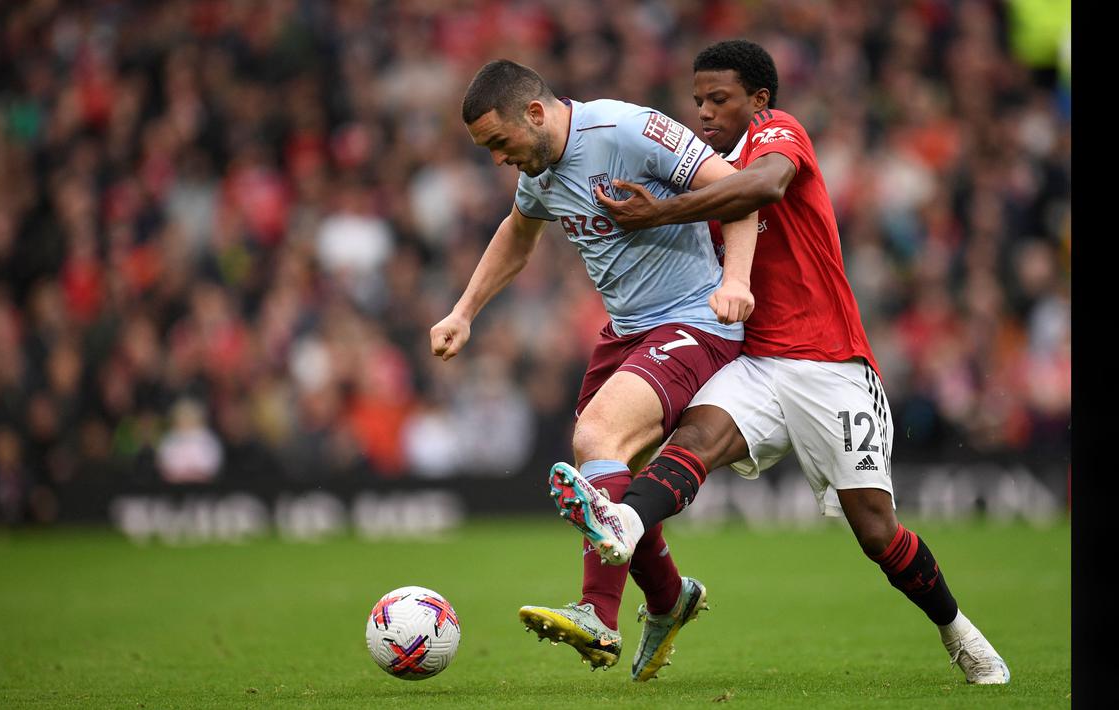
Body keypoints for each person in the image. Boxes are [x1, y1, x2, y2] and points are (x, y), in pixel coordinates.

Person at [549, 39, 1011, 685]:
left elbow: (761, 188)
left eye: (719, 99)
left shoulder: (778, 132)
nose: (704, 112)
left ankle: (955, 629)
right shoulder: (697, 167)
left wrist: (662, 210)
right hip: (758, 361)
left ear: (757, 99)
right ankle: (622, 522)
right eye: (697, 101)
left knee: (876, 533)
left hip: (832, 364)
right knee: (694, 440)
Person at [428, 59, 760, 681]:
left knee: (595, 441)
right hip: (626, 333)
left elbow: (740, 191)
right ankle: (668, 600)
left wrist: (737, 280)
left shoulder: (626, 131)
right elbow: (518, 233)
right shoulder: (541, 169)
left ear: (535, 113)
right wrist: (464, 311)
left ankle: (597, 615)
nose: (499, 159)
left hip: (695, 317)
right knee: (607, 480)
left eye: (500, 143)